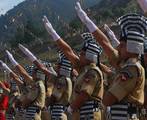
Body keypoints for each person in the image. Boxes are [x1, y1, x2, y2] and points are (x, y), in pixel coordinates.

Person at [74, 2, 146, 119]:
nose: (118, 48)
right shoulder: (127, 65)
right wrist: (87, 21)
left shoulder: (132, 68)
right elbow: (105, 43)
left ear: (133, 47)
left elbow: (108, 99)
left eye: (122, 45)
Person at [42, 15, 104, 120]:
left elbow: (84, 94)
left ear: (90, 56)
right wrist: (54, 34)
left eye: (83, 54)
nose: (79, 55)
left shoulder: (92, 71)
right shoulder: (85, 70)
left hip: (89, 113)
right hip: (83, 113)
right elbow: (68, 51)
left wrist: (70, 109)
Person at [5, 50, 47, 120]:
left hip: (32, 115)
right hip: (29, 114)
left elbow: (26, 102)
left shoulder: (37, 85)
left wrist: (21, 105)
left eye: (34, 71)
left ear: (38, 74)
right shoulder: (36, 84)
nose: (33, 74)